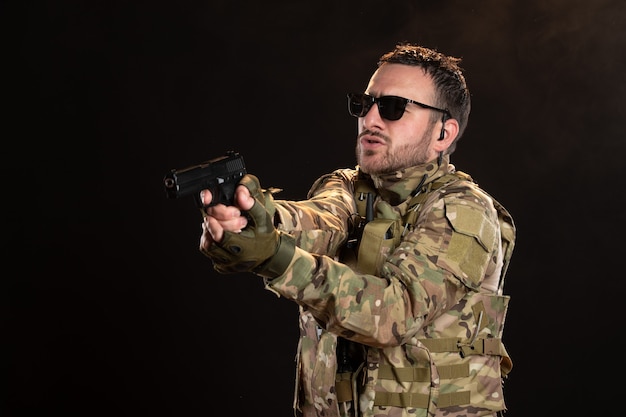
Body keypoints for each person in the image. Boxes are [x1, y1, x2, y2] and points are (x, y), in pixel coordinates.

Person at [198, 42, 516, 417]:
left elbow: (395, 312)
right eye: (365, 104)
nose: (371, 120)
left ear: (443, 134)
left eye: (394, 108)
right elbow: (319, 220)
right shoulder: (349, 187)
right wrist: (256, 217)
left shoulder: (466, 213)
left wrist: (274, 256)